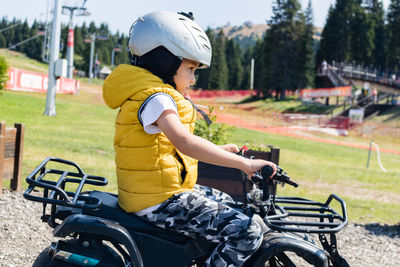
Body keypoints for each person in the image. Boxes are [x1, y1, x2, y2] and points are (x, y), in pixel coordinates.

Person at [103, 11, 276, 267]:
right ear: (165, 61)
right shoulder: (157, 99)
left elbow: (168, 147)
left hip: (160, 192)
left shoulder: (150, 92)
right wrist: (246, 165)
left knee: (228, 203)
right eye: (191, 69)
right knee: (246, 232)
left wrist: (220, 150)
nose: (193, 79)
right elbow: (184, 142)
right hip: (158, 201)